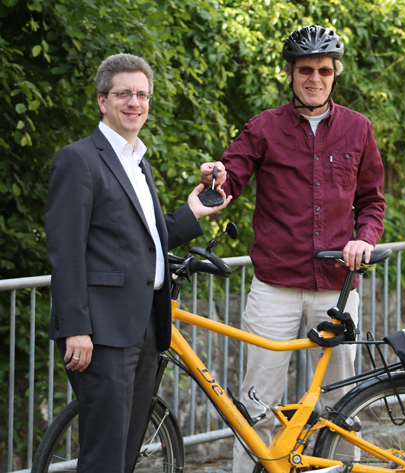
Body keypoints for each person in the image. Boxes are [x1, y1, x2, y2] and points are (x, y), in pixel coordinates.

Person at [201, 25, 385, 472]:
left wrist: (365, 237)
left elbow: (372, 200)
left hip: (337, 287)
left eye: (324, 70)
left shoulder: (359, 129)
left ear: (335, 74)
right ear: (291, 74)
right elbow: (232, 174)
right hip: (275, 286)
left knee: (343, 400)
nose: (315, 78)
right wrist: (217, 175)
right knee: (258, 398)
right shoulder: (263, 127)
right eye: (306, 70)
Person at [45, 53, 231, 473]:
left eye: (142, 94)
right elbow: (66, 249)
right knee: (105, 454)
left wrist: (192, 214)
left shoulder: (138, 162)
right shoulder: (78, 159)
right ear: (102, 101)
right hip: (102, 331)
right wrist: (75, 327)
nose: (134, 102)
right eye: (124, 93)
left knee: (127, 451)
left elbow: (144, 240)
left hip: (146, 324)